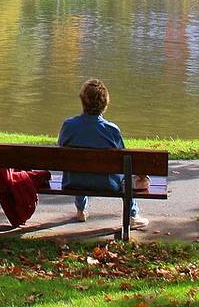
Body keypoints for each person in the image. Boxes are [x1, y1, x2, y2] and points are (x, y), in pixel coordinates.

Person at [57, 78, 149, 228]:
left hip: (73, 181)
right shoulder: (111, 130)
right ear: (104, 104)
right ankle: (132, 215)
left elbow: (61, 150)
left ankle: (81, 210)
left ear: (82, 101)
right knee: (125, 172)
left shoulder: (68, 126)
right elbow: (124, 160)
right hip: (108, 184)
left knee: (79, 165)